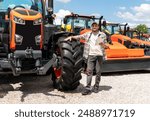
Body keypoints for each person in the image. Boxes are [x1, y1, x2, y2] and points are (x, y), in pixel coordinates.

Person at [65, 22, 109, 95]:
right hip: (90, 55)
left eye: (96, 26)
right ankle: (88, 88)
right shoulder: (88, 34)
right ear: (91, 27)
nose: (94, 27)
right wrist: (71, 37)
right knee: (89, 72)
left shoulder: (102, 35)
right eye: (93, 26)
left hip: (99, 55)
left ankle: (96, 86)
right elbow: (79, 36)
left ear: (98, 27)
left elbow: (106, 46)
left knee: (98, 72)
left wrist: (103, 44)